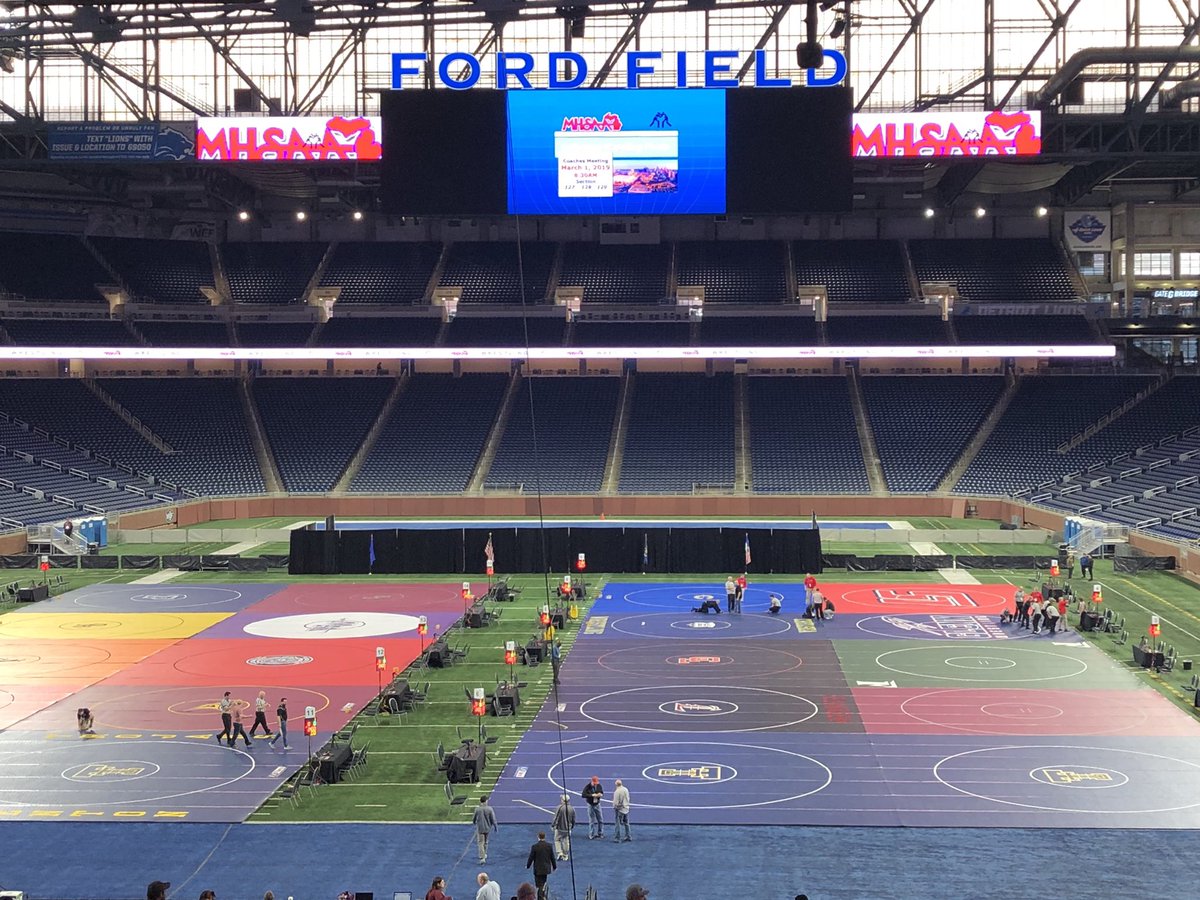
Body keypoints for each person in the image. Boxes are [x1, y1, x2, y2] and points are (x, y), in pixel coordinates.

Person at [525, 831, 556, 900]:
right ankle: (542, 895)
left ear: (538, 837)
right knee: (543, 882)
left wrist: (528, 866)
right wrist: (554, 866)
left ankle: (540, 897)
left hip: (538, 869)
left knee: (539, 885)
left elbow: (531, 857)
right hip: (545, 869)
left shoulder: (535, 847)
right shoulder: (549, 846)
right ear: (544, 837)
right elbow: (552, 857)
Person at [473, 794, 498, 863]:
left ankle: (482, 857)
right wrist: (495, 826)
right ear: (486, 801)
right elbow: (493, 819)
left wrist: (474, 822)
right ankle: (484, 854)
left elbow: (474, 818)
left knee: (481, 843)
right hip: (487, 828)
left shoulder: (477, 809)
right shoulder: (489, 809)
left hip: (480, 828)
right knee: (486, 842)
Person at [552, 793, 575, 861]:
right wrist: (572, 826)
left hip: (560, 828)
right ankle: (565, 855)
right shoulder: (572, 808)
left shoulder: (559, 808)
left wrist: (553, 825)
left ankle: (560, 852)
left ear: (563, 800)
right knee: (566, 841)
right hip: (568, 829)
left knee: (557, 840)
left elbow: (556, 818)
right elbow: (573, 819)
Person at [612, 778, 631, 843]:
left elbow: (616, 803)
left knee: (618, 824)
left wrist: (615, 807)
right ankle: (628, 836)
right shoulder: (626, 789)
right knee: (626, 823)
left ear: (616, 784)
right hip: (626, 808)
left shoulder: (617, 792)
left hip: (620, 810)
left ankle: (617, 838)